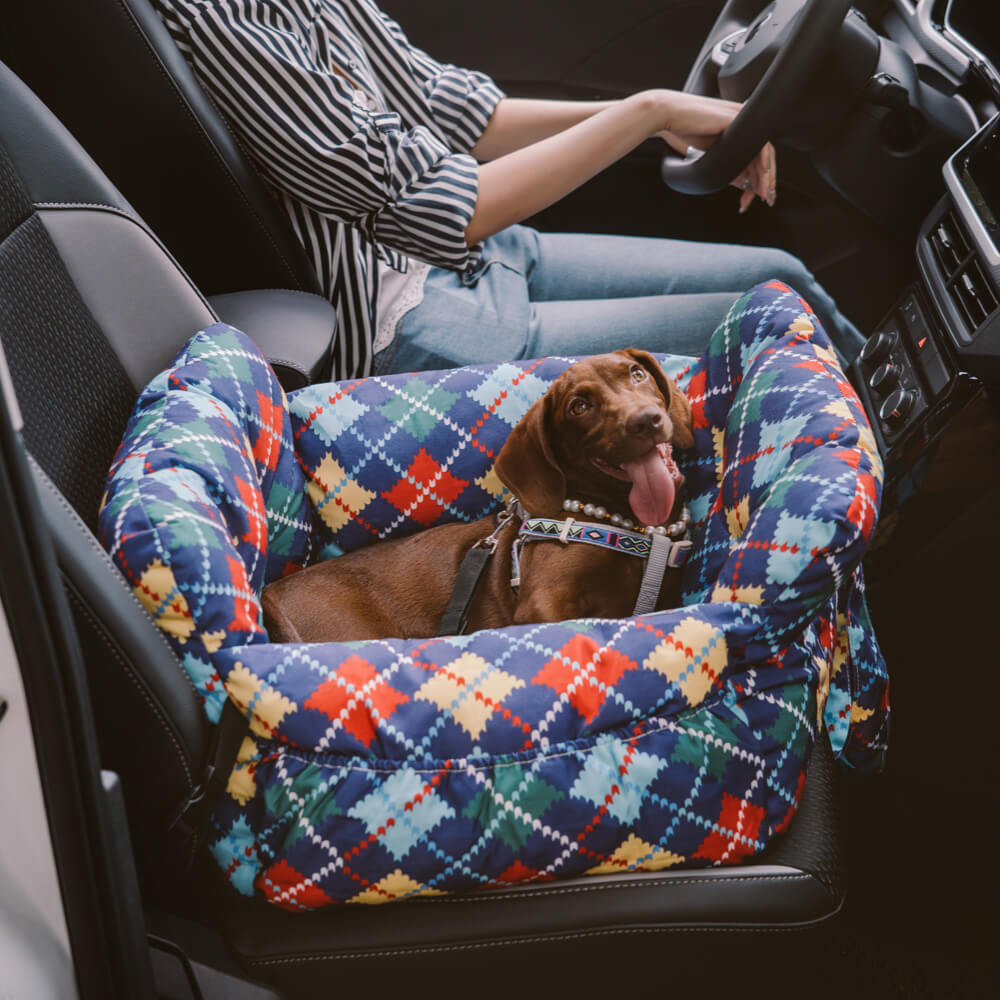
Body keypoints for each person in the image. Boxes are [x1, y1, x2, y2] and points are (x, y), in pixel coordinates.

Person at [153, 0, 865, 379]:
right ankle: (908, 494)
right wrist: (647, 112)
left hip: (472, 262)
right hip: (403, 330)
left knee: (783, 280)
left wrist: (657, 123)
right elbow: (436, 206)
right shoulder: (224, 14)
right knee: (780, 327)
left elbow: (451, 108)